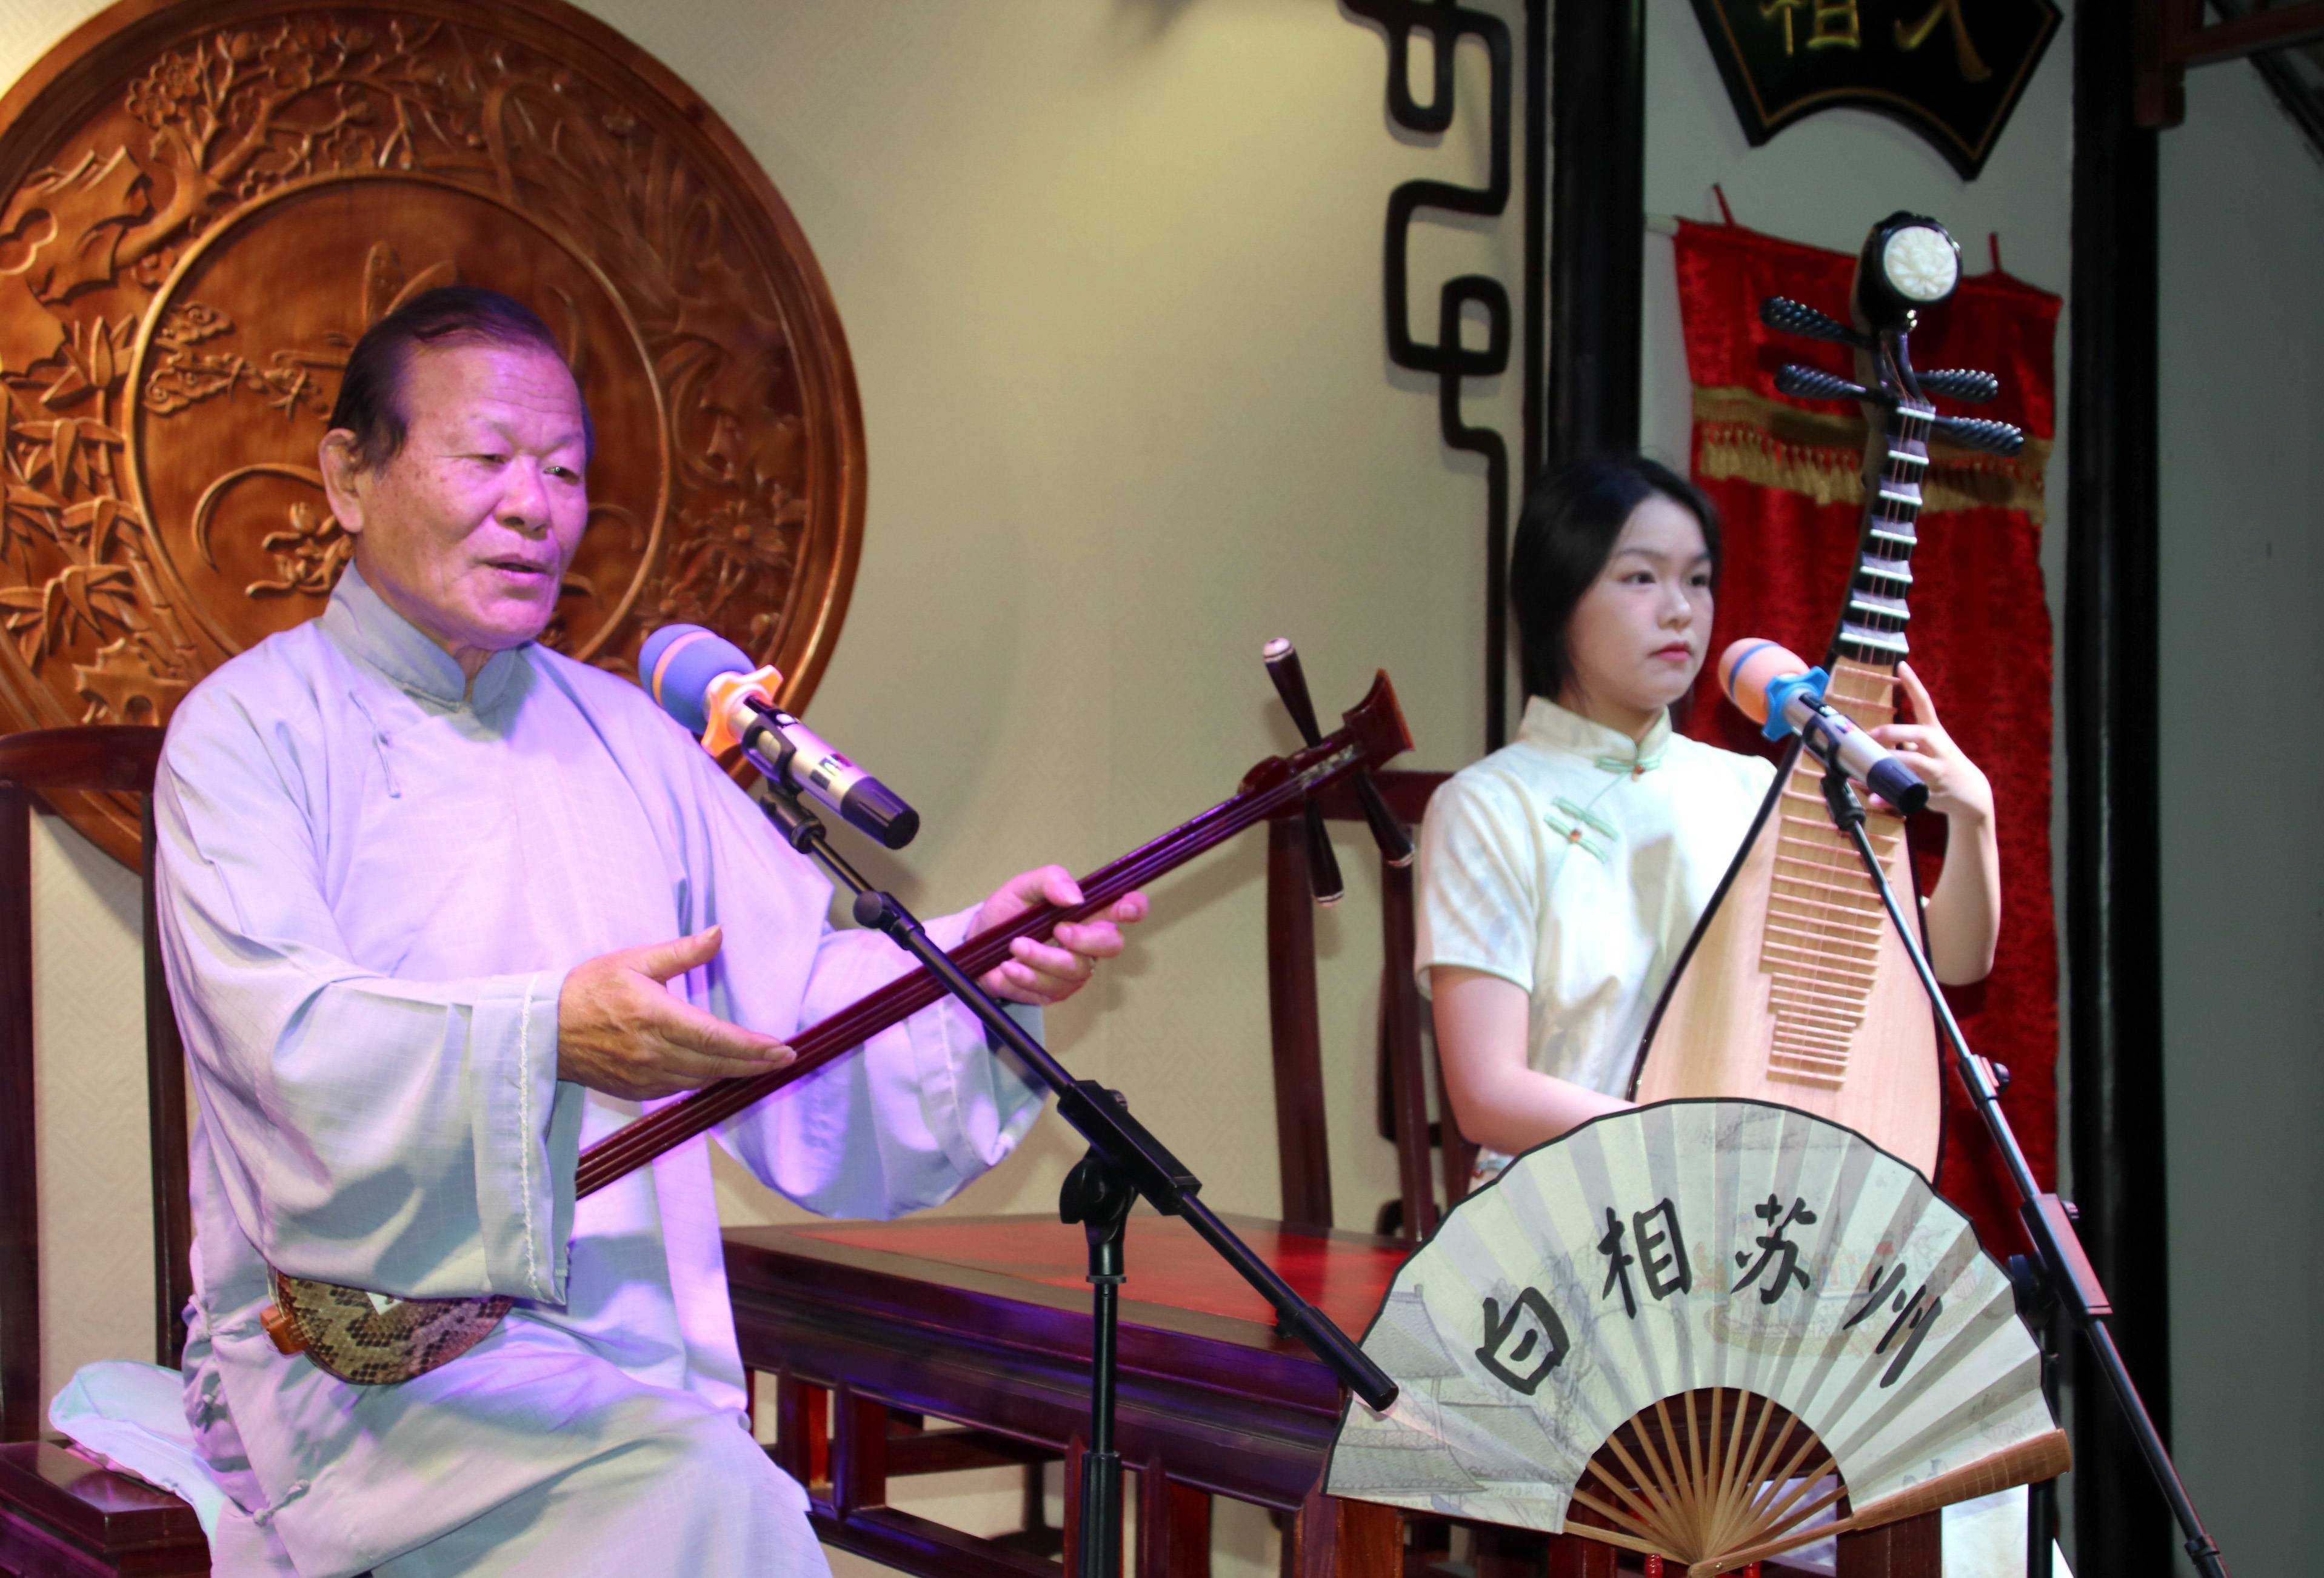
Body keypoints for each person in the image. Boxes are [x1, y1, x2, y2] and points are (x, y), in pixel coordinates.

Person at [152, 286, 1147, 1576]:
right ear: (350, 475)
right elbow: (287, 1045)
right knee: (713, 1504)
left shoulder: (627, 734)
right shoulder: (249, 730)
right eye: (487, 458)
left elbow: (789, 1000)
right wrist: (547, 1035)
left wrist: (967, 968)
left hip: (625, 1354)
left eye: (566, 471)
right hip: (367, 1367)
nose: (535, 506)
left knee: (697, 1486)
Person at [1415, 455, 2000, 1181]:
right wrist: (1704, 1144)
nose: (1680, 610)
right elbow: (1488, 1095)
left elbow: (1949, 961)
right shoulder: (1487, 805)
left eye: (1697, 579)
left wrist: (1973, 815)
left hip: (1742, 1210)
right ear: (1557, 595)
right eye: (1641, 577)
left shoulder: (1755, 788)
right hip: (1564, 1206)